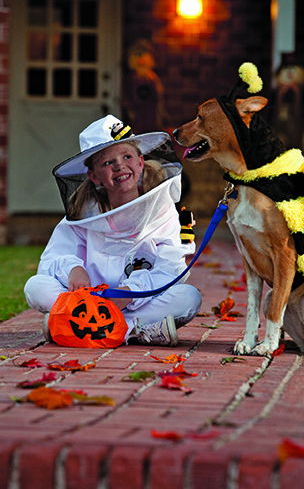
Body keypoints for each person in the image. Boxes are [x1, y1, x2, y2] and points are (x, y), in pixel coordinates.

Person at [24, 115, 202, 346]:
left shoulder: (164, 212)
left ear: (140, 162)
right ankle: (135, 330)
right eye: (107, 162)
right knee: (35, 287)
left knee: (188, 298)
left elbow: (171, 270)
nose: (119, 166)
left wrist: (129, 293)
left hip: (134, 299)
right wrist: (74, 269)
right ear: (94, 176)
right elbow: (52, 259)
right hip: (88, 300)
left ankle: (72, 325)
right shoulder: (82, 215)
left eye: (127, 156)